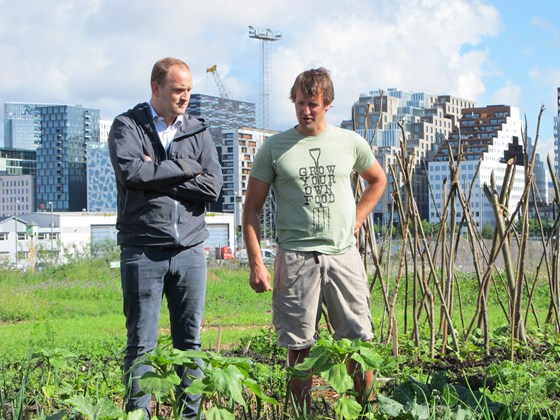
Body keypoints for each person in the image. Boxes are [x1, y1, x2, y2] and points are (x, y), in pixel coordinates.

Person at [242, 67, 387, 414]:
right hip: (296, 258)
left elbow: (377, 181)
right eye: (300, 103)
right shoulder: (274, 148)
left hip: (342, 255)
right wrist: (256, 263)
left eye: (313, 104)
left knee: (357, 341)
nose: (306, 111)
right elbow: (251, 209)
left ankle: (365, 410)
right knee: (298, 345)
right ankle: (300, 413)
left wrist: (356, 219)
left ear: (328, 105)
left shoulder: (349, 143)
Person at [108, 57, 223, 418]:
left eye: (188, 90)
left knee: (190, 344)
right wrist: (188, 168)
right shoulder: (127, 126)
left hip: (190, 250)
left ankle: (190, 416)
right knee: (140, 345)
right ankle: (138, 415)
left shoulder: (198, 131)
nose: (184, 97)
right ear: (156, 88)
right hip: (143, 250)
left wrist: (159, 174)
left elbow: (213, 186)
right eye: (177, 90)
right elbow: (132, 175)